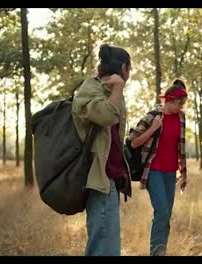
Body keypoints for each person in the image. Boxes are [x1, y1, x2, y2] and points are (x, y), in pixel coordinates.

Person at [71, 44, 132, 256]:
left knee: (106, 244)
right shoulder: (91, 88)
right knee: (104, 246)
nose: (129, 74)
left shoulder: (110, 91)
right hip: (99, 179)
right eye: (129, 68)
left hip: (110, 179)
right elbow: (105, 116)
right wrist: (117, 89)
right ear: (124, 67)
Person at [128, 79, 188, 256]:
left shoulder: (181, 117)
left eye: (183, 104)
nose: (180, 107)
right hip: (153, 170)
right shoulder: (153, 116)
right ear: (168, 100)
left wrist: (184, 174)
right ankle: (156, 253)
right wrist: (153, 128)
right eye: (178, 103)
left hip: (171, 172)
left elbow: (181, 148)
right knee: (161, 212)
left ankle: (161, 251)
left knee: (166, 216)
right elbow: (133, 142)